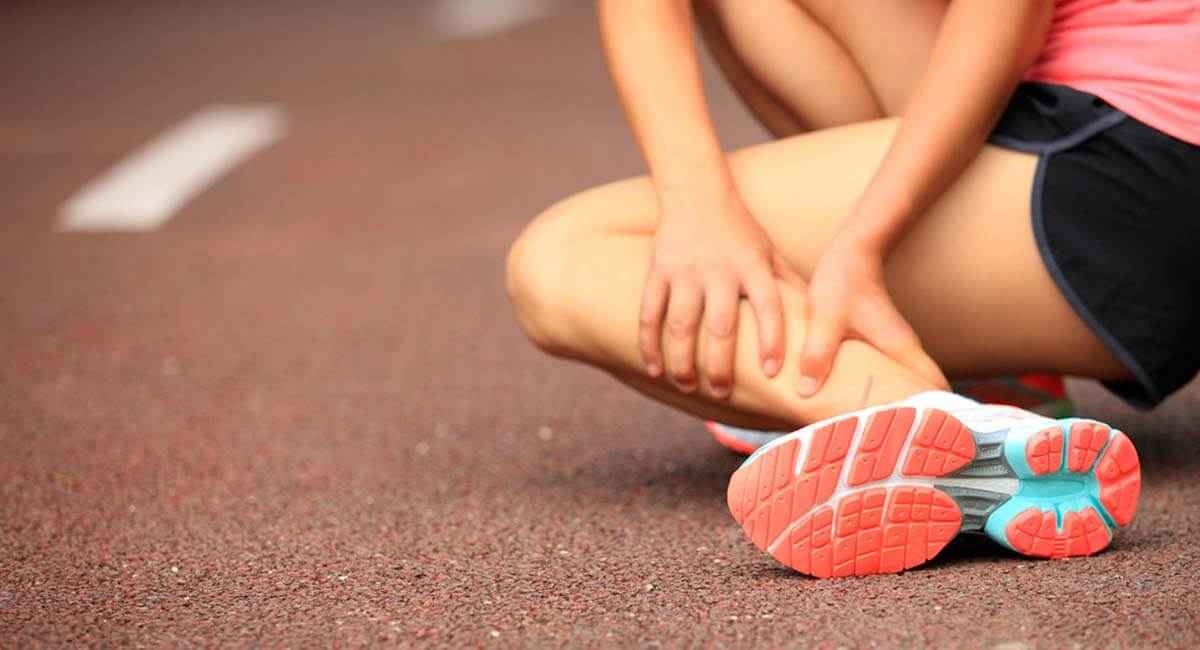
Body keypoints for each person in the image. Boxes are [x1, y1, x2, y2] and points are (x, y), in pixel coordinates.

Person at [505, 0, 1197, 577]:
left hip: (1132, 158)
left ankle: (945, 425)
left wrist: (860, 245)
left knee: (565, 257)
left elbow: (1005, 21)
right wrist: (699, 208)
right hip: (1124, 158)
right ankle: (984, 383)